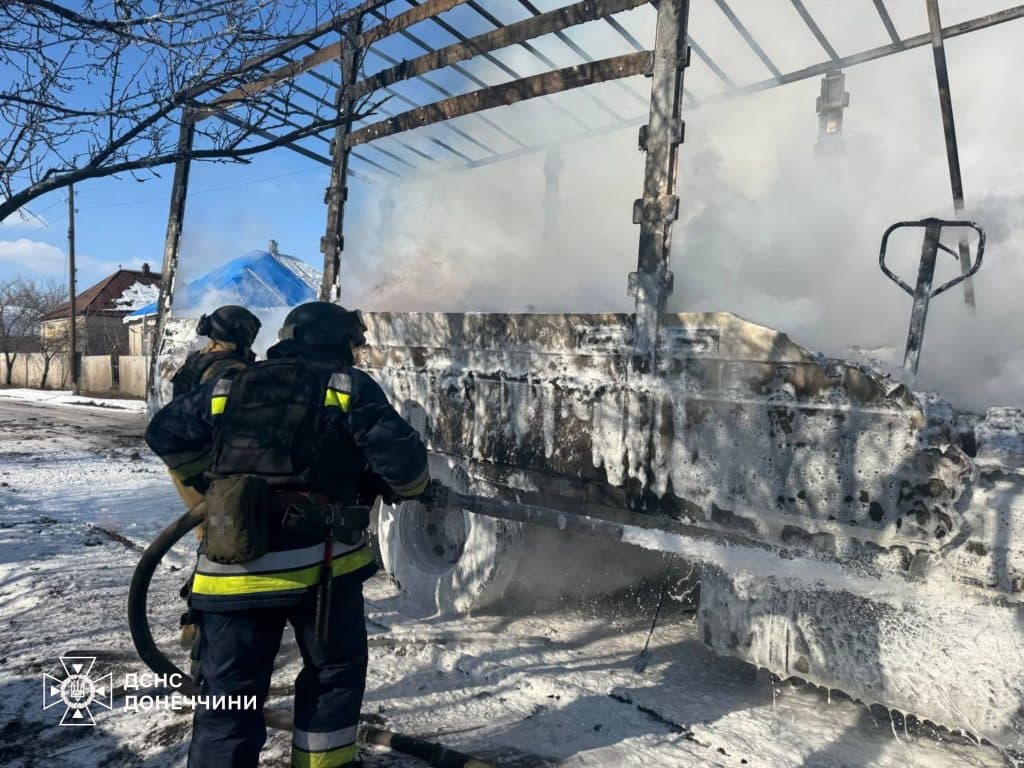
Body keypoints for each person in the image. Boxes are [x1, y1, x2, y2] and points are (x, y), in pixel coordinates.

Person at [145, 301, 430, 768]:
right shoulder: (346, 385)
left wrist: (215, 487)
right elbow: (404, 464)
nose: (354, 354)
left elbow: (163, 432)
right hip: (320, 572)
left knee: (227, 702)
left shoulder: (232, 382)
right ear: (336, 342)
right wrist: (412, 489)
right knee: (331, 678)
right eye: (351, 344)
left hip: (229, 572)